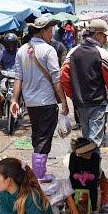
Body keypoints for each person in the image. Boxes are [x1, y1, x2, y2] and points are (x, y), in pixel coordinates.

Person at [12, 16, 69, 181]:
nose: (52, 34)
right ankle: (38, 175)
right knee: (44, 138)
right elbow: (56, 79)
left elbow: (18, 78)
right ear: (42, 31)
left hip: (30, 103)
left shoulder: (22, 49)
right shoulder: (48, 50)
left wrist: (15, 100)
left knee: (37, 136)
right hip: (46, 102)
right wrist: (64, 102)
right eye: (50, 31)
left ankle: (38, 171)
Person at [60, 19, 108, 148]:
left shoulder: (73, 52)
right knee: (94, 142)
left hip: (80, 104)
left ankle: (86, 166)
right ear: (97, 35)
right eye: (104, 36)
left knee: (86, 140)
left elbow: (63, 76)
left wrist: (73, 94)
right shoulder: (102, 53)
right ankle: (93, 167)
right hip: (96, 103)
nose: (105, 40)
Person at [68, 138, 101, 214]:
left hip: (90, 180)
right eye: (86, 154)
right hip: (76, 180)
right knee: (69, 185)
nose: (89, 155)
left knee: (93, 184)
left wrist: (88, 176)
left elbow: (96, 174)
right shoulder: (73, 156)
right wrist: (79, 176)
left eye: (90, 152)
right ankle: (71, 207)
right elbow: (72, 173)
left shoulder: (95, 156)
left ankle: (94, 209)